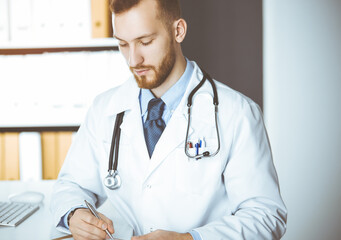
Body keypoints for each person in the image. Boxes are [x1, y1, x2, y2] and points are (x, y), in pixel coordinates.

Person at [50, 0, 287, 239]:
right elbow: (71, 185)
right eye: (123, 44)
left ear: (178, 31)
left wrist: (189, 239)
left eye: (145, 42)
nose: (133, 60)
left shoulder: (238, 113)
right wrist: (75, 213)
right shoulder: (104, 109)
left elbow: (265, 217)